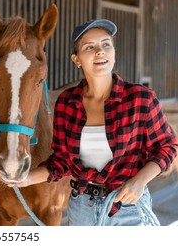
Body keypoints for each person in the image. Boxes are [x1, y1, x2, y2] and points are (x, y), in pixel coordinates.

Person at [13, 19, 178, 225]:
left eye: (105, 44)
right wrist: (26, 179)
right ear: (77, 59)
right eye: (89, 47)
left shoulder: (140, 99)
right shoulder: (66, 102)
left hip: (127, 207)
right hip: (81, 208)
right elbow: (62, 161)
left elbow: (167, 146)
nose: (100, 51)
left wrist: (140, 181)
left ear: (113, 52)